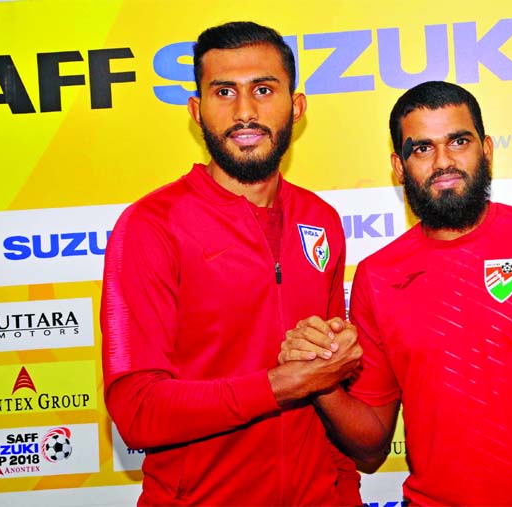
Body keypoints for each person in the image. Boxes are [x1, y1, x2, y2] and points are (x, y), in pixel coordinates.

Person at [281, 81, 512, 506]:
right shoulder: (378, 276)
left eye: (458, 141)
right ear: (398, 166)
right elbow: (372, 445)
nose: (444, 161)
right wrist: (319, 382)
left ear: (486, 149)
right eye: (423, 149)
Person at [100, 21, 363, 506]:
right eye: (225, 92)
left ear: (297, 106)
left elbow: (331, 386)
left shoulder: (320, 219)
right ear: (197, 112)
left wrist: (345, 493)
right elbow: (136, 410)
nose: (245, 112)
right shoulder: (151, 225)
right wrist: (276, 387)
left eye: (264, 89)